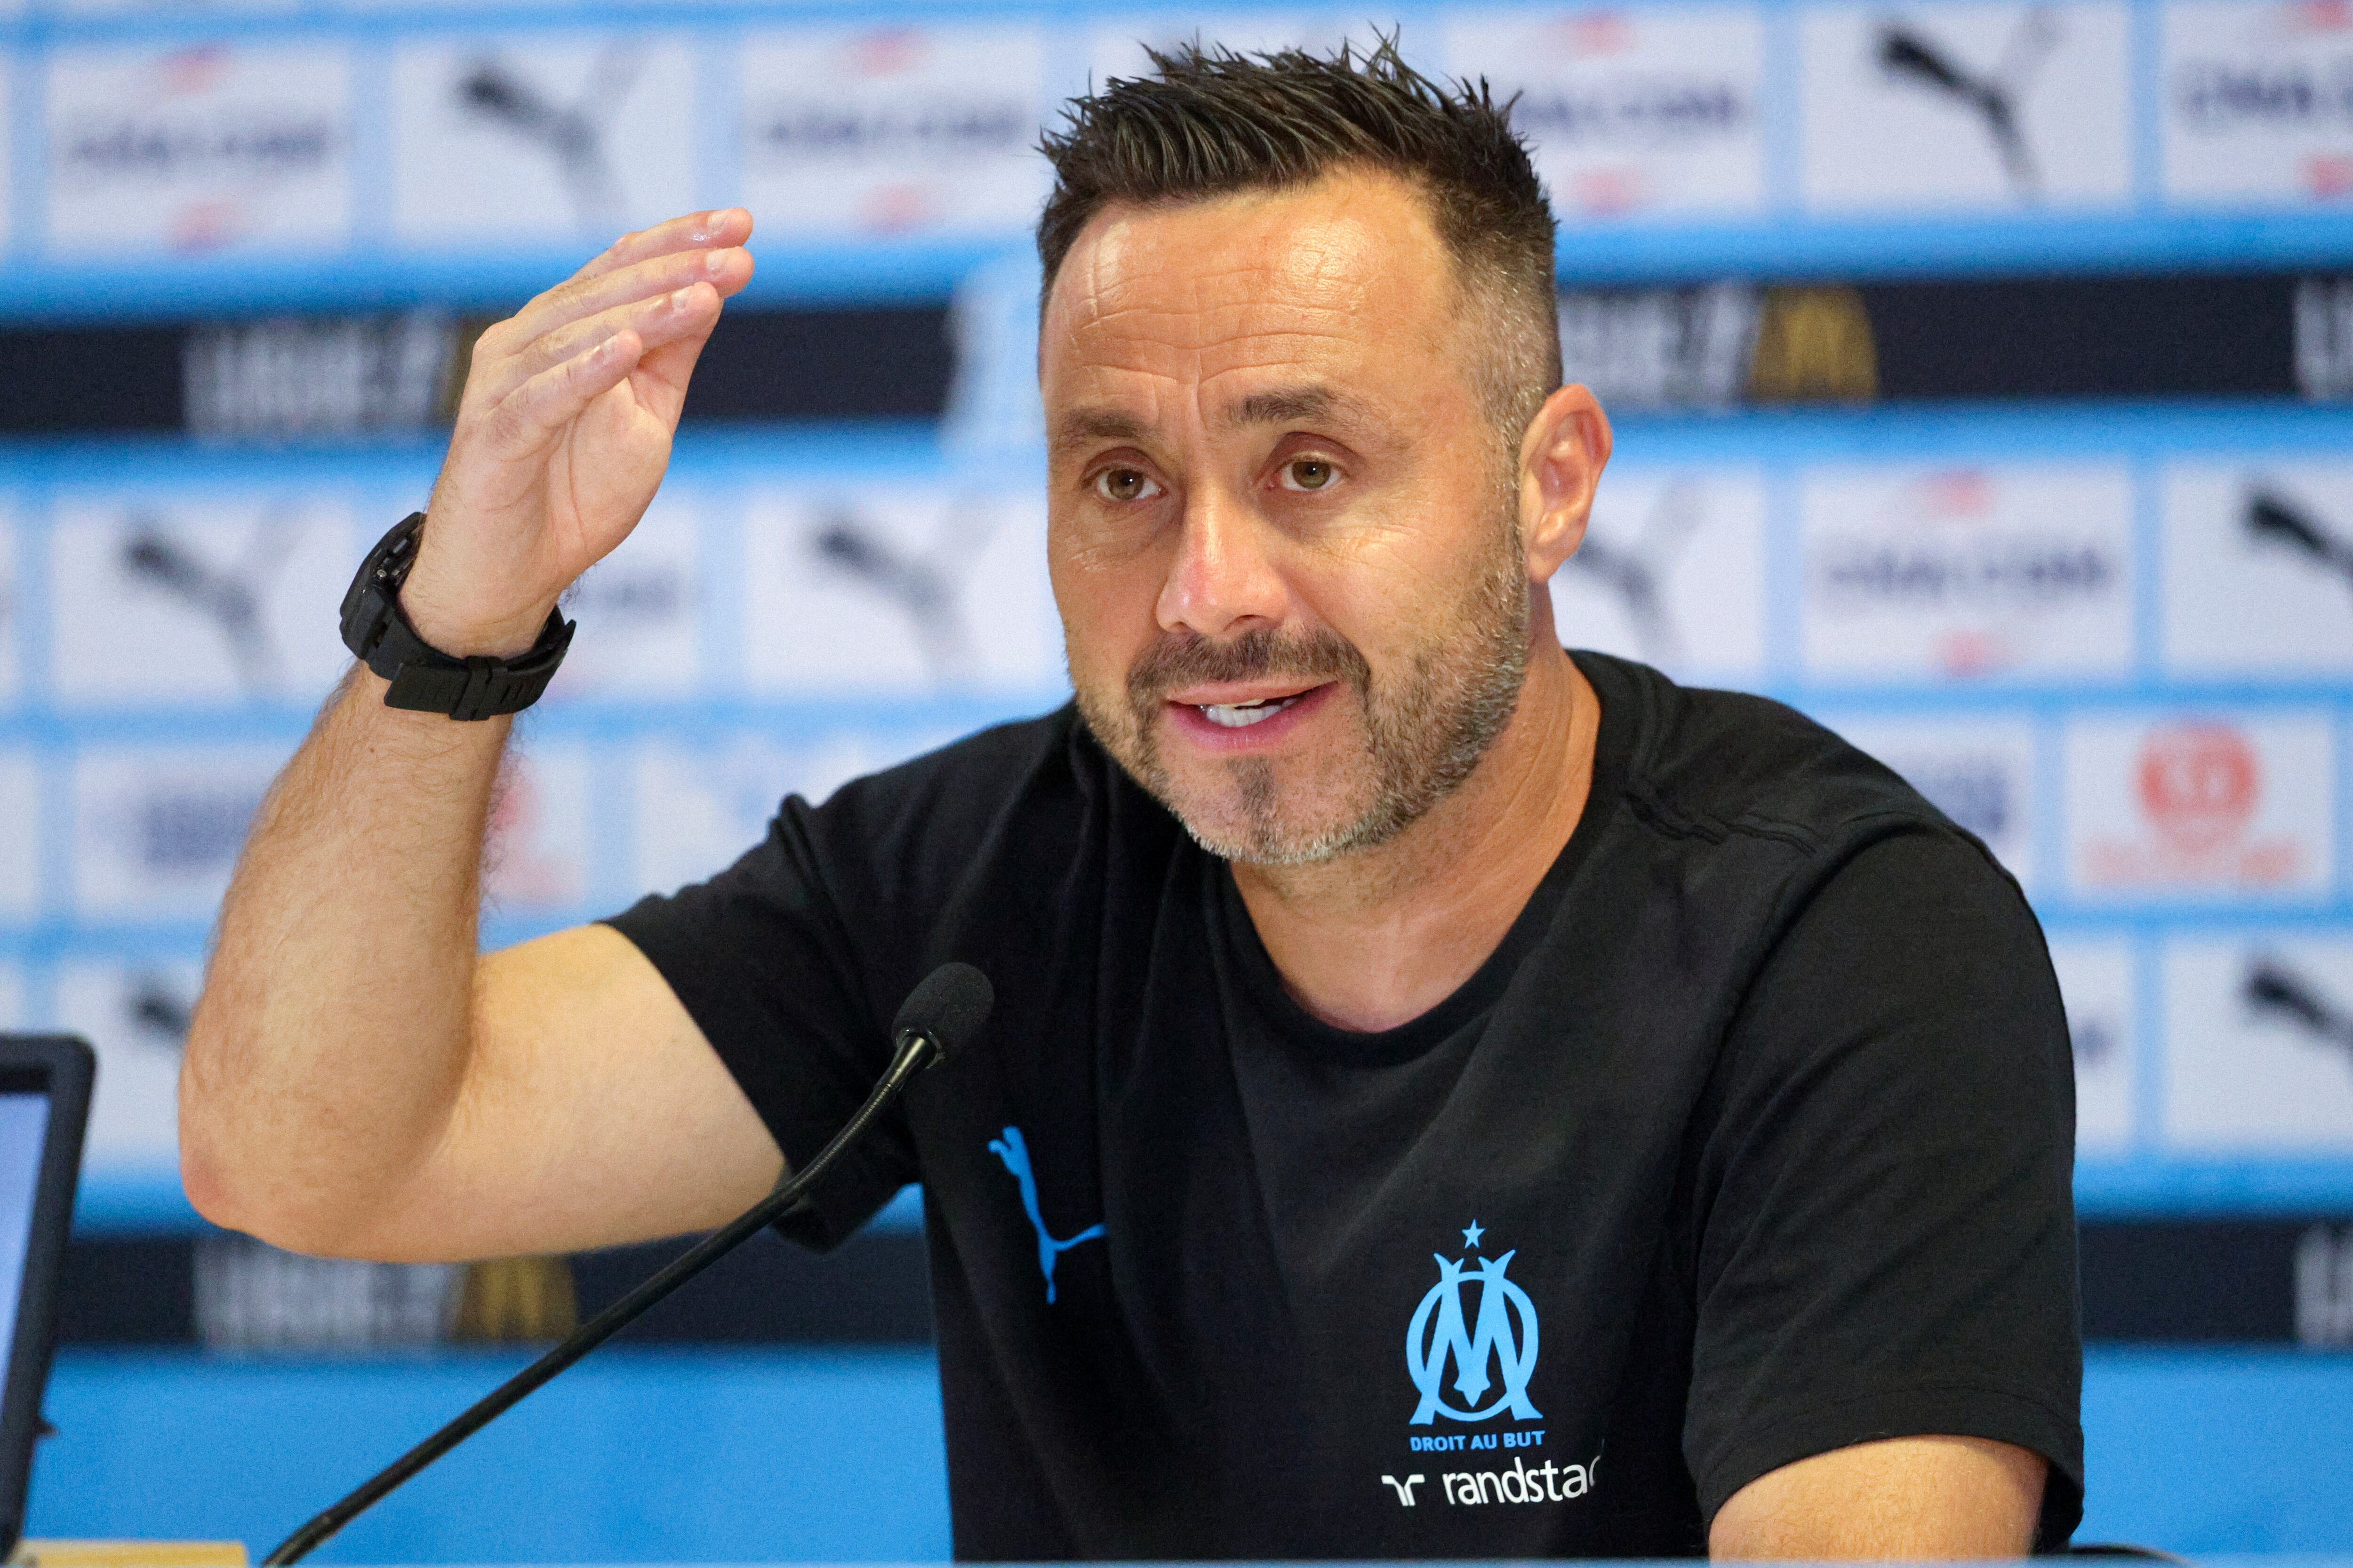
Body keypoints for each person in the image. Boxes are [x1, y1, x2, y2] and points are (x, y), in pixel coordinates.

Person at [182, 40, 2082, 1560]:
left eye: (1310, 464)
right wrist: (462, 618)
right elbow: (307, 1155)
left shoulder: (1844, 941)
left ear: (1547, 483)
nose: (1204, 592)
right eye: (1120, 481)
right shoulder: (970, 889)